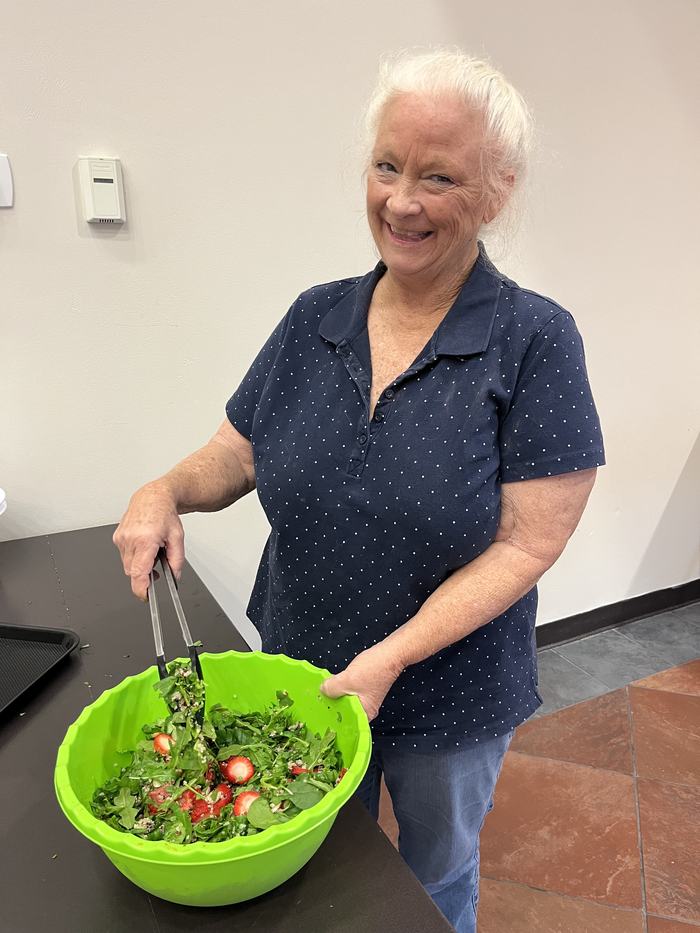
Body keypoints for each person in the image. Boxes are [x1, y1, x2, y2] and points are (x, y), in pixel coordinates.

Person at [114, 48, 605, 933]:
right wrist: (164, 489)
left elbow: (530, 542)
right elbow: (237, 451)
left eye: (440, 176)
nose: (403, 200)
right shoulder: (316, 315)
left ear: (496, 192)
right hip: (300, 666)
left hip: (448, 690)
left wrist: (393, 656)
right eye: (388, 165)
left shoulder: (534, 339)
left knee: (431, 876)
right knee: (318, 869)